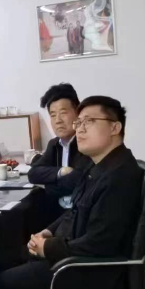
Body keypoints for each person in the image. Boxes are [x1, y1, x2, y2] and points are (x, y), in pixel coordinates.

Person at [0, 96, 144, 289]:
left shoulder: (119, 178)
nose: (79, 129)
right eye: (79, 122)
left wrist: (48, 248)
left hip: (85, 274)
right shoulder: (100, 166)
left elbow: (99, 245)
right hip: (74, 258)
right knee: (1, 258)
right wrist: (48, 232)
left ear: (115, 127)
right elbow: (74, 211)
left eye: (89, 122)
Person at [28, 83, 92, 224]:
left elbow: (76, 182)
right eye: (53, 115)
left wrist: (45, 185)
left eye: (63, 113)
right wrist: (61, 171)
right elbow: (33, 173)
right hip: (58, 214)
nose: (58, 120)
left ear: (78, 113)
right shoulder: (54, 144)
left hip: (82, 216)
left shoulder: (87, 142)